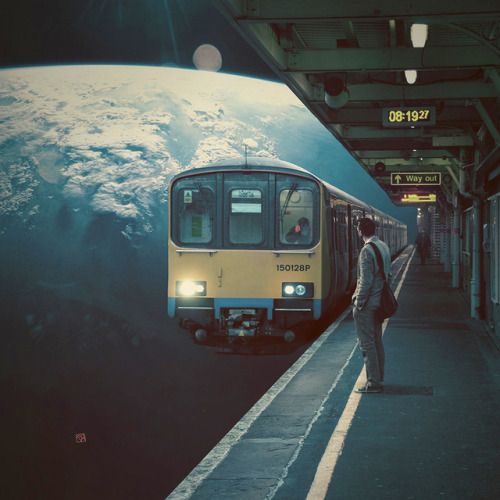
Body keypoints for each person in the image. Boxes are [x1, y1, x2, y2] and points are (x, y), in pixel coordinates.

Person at [351, 217, 391, 393]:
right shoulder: (383, 246)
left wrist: (358, 302)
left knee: (367, 344)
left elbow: (365, 280)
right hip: (379, 302)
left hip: (368, 304)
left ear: (360, 230)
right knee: (376, 342)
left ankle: (373, 382)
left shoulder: (367, 251)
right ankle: (379, 378)